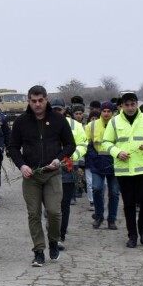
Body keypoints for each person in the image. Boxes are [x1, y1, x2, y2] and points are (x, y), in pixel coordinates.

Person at [7, 86, 75, 267]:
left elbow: (70, 145)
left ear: (46, 100)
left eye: (40, 100)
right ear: (29, 101)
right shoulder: (21, 121)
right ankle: (38, 251)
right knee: (33, 214)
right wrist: (21, 165)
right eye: (33, 101)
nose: (37, 104)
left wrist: (58, 159)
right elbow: (13, 147)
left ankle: (53, 240)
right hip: (32, 176)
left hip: (52, 173)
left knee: (54, 211)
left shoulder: (59, 120)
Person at [101, 92, 143, 249]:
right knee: (128, 203)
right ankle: (132, 235)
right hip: (124, 169)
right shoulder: (114, 122)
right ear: (122, 105)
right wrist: (117, 152)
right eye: (126, 105)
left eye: (132, 104)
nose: (130, 108)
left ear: (136, 104)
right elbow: (106, 142)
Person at [51, 99, 88, 250]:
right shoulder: (42, 124)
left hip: (67, 168)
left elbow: (83, 144)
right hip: (48, 171)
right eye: (53, 110)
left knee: (64, 204)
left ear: (64, 110)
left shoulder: (75, 125)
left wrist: (74, 156)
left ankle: (60, 235)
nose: (56, 113)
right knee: (51, 206)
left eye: (59, 110)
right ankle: (52, 227)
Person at [87, 102, 120, 230]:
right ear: (101, 112)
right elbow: (88, 144)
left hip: (114, 162)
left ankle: (112, 219)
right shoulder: (92, 125)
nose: (106, 113)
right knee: (97, 188)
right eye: (104, 111)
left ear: (113, 113)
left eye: (109, 111)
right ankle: (99, 216)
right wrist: (94, 156)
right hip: (97, 163)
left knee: (114, 192)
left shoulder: (118, 125)